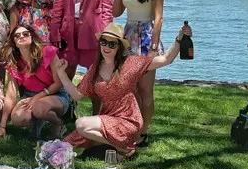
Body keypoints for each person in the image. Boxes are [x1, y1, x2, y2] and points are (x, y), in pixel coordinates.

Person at [53, 22, 192, 158]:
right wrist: (61, 73)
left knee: (81, 125)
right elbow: (77, 95)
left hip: (128, 121)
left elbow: (166, 59)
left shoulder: (131, 64)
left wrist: (180, 38)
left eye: (112, 44)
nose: (106, 47)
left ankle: (123, 146)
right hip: (108, 120)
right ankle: (117, 146)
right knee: (65, 145)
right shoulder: (95, 69)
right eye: (103, 42)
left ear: (119, 47)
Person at [50, 0, 113, 112]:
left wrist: (105, 35)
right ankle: (66, 112)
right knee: (66, 75)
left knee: (95, 78)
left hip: (93, 34)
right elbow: (58, 7)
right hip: (68, 34)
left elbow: (107, 8)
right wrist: (55, 32)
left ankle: (97, 115)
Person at [112, 0, 164, 144]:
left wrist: (153, 47)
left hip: (146, 36)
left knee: (145, 89)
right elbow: (117, 12)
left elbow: (158, 18)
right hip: (128, 35)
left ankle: (143, 132)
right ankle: (133, 126)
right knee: (130, 87)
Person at [0, 24, 71, 140]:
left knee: (40, 108)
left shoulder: (48, 51)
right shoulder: (14, 62)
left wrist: (37, 98)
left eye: (25, 34)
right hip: (31, 94)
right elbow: (11, 95)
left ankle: (58, 123)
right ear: (14, 42)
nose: (21, 36)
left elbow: (58, 83)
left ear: (32, 37)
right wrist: (2, 126)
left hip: (56, 94)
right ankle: (38, 122)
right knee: (17, 118)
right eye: (17, 36)